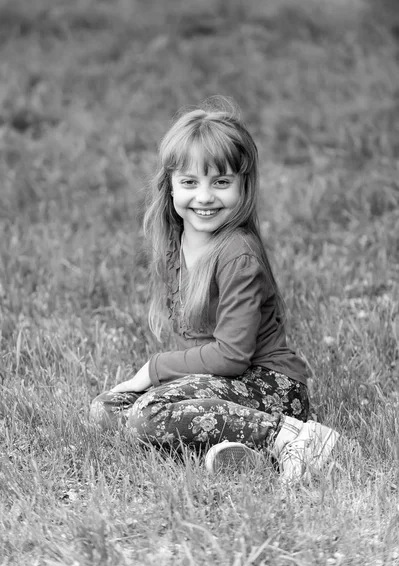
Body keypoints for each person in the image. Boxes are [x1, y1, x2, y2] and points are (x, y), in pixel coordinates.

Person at [90, 97, 339, 482]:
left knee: (149, 413)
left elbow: (232, 357)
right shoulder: (176, 242)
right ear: (169, 186)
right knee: (106, 408)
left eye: (221, 182)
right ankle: (240, 450)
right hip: (226, 386)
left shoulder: (237, 254)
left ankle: (292, 435)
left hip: (271, 386)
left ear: (243, 186)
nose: (204, 197)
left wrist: (155, 370)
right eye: (190, 182)